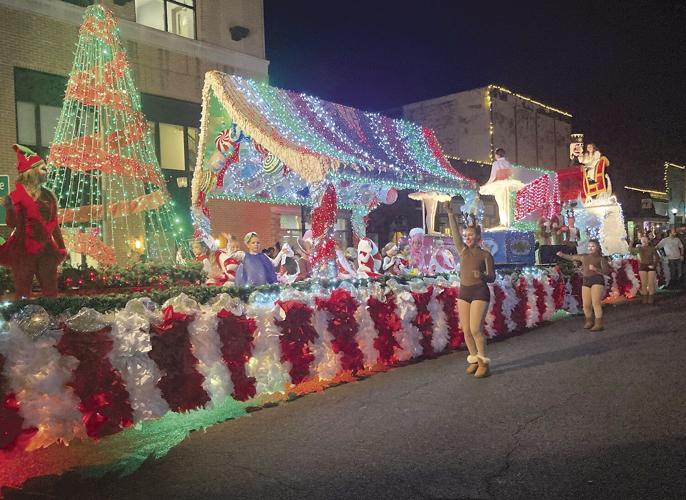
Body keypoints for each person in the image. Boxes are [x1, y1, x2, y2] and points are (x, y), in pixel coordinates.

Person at [0, 145, 67, 299]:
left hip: (46, 249)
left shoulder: (49, 195)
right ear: (31, 172)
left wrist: (62, 247)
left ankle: (53, 319)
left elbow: (54, 223)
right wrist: (9, 209)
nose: (47, 172)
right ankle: (22, 320)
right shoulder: (15, 196)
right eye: (43, 168)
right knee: (23, 291)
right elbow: (11, 224)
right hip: (23, 249)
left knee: (50, 291)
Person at [447, 206, 495, 378]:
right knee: (466, 330)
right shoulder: (462, 251)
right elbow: (455, 235)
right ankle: (474, 360)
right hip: (464, 292)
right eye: (465, 235)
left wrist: (482, 275)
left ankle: (484, 363)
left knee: (476, 329)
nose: (467, 238)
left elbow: (492, 277)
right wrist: (451, 215)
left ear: (478, 237)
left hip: (480, 292)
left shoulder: (485, 255)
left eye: (471, 235)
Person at [557, 239, 610, 331]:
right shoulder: (584, 257)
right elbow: (572, 257)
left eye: (593, 246)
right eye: (589, 246)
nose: (590, 248)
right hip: (586, 281)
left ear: (597, 247)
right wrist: (562, 255)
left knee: (596, 303)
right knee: (586, 304)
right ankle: (589, 321)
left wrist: (596, 269)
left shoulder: (601, 258)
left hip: (597, 280)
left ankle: (599, 323)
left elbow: (606, 272)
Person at [479, 148, 524, 227]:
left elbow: (493, 176)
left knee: (501, 204)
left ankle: (503, 222)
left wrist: (486, 185)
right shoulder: (508, 163)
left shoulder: (496, 164)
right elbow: (511, 174)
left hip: (499, 186)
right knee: (507, 204)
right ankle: (508, 222)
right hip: (507, 186)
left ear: (497, 155)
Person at [632, 235, 659, 303]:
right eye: (642, 240)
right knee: (644, 283)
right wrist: (631, 242)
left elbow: (657, 257)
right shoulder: (640, 248)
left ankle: (651, 297)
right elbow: (630, 250)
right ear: (641, 241)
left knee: (650, 283)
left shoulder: (652, 248)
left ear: (648, 241)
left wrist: (654, 265)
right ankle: (645, 297)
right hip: (642, 266)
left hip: (651, 265)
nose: (644, 241)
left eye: (645, 239)